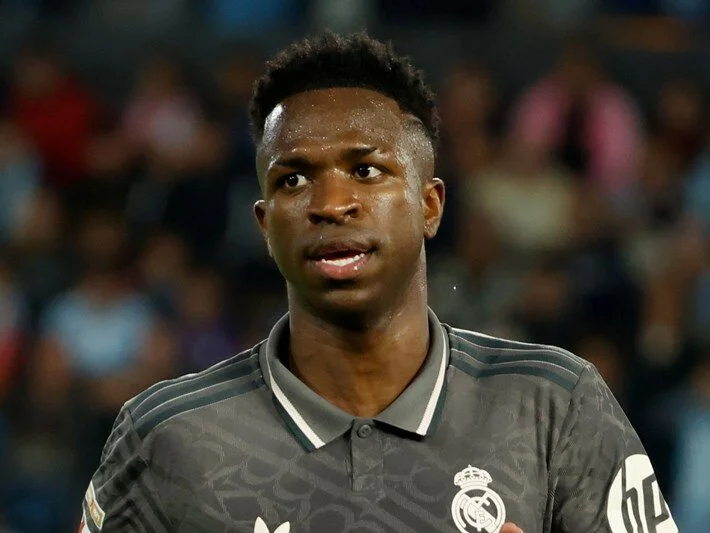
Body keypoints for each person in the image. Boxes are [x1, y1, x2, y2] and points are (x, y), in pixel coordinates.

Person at [79, 32, 677, 533]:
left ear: (429, 206)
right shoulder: (167, 436)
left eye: (366, 170)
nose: (330, 203)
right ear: (265, 226)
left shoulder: (554, 404)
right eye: (293, 180)